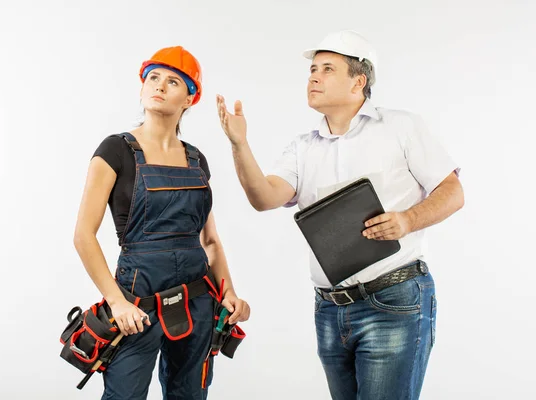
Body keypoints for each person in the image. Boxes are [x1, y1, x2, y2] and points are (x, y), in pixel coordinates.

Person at [216, 30, 464, 400]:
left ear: (358, 82)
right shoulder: (303, 147)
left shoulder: (401, 127)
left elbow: (452, 192)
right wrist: (240, 145)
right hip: (330, 310)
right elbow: (264, 197)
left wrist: (408, 220)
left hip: (394, 301)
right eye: (312, 69)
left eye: (327, 69)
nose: (313, 77)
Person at [74, 45, 250, 400]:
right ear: (141, 87)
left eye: (173, 81)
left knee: (189, 395)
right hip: (137, 304)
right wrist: (117, 302)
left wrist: (228, 291)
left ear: (189, 98)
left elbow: (210, 241)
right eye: (153, 77)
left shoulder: (196, 159)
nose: (160, 85)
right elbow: (83, 236)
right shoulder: (115, 150)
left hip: (197, 300)